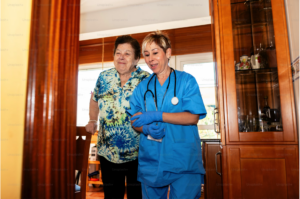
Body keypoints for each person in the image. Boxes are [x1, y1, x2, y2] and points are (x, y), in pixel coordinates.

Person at [126, 31, 207, 199]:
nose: (150, 59)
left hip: (183, 159)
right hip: (152, 159)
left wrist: (158, 115)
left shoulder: (186, 81)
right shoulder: (142, 87)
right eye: (146, 55)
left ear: (168, 53)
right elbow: (135, 120)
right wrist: (145, 128)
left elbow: (193, 117)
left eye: (155, 52)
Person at [85, 35, 149, 199]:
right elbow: (94, 101)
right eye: (118, 53)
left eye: (127, 54)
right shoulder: (104, 77)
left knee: (137, 195)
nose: (121, 57)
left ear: (136, 59)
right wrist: (92, 120)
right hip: (108, 151)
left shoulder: (146, 79)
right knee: (112, 196)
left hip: (138, 152)